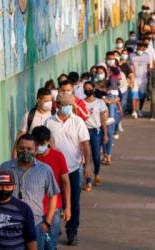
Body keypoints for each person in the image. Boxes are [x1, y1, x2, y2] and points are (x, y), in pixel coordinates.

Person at [44, 93, 92, 246]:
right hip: (54, 171)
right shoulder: (48, 122)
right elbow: (46, 143)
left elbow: (85, 144)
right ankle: (55, 228)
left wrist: (87, 166)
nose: (68, 108)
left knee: (74, 203)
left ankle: (72, 232)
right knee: (55, 201)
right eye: (65, 105)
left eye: (70, 105)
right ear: (57, 105)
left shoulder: (78, 122)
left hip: (73, 169)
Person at [0, 134, 60, 250]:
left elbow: (53, 196)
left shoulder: (45, 170)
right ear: (16, 148)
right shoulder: (5, 168)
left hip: (36, 224)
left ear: (35, 150)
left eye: (29, 149)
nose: (25, 151)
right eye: (22, 148)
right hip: (9, 224)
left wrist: (47, 222)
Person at [32, 125, 71, 250]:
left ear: (48, 141)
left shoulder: (58, 156)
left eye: (42, 143)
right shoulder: (31, 159)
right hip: (35, 211)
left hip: (53, 210)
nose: (39, 147)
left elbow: (65, 182)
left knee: (50, 244)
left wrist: (68, 207)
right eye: (37, 143)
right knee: (38, 244)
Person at [0, 170, 37, 250]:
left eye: (8, 187)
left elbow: (31, 240)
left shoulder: (24, 209)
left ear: (14, 187)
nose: (3, 190)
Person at [12, 87, 53, 159]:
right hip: (32, 156)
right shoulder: (29, 116)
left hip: (50, 155)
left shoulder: (54, 115)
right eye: (46, 101)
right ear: (38, 100)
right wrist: (14, 155)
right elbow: (20, 136)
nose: (49, 103)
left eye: (50, 101)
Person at [84, 81, 108, 186]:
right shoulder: (81, 103)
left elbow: (103, 119)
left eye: (90, 88)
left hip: (96, 132)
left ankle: (97, 174)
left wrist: (105, 134)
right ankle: (88, 180)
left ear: (93, 89)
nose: (88, 90)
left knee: (96, 156)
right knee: (86, 157)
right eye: (86, 88)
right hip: (84, 131)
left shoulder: (99, 102)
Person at [130, 42, 151, 118]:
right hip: (135, 79)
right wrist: (132, 77)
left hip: (143, 79)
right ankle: (134, 111)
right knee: (134, 95)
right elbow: (131, 66)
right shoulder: (132, 55)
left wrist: (149, 78)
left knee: (142, 96)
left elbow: (148, 67)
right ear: (137, 47)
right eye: (139, 48)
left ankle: (140, 110)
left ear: (144, 48)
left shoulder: (147, 55)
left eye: (142, 48)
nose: (140, 49)